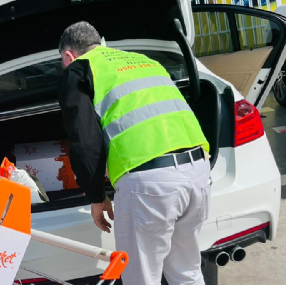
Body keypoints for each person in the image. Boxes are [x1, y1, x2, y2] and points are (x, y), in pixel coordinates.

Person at [57, 21, 211, 285]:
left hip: (150, 184)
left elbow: (85, 142)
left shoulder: (80, 70)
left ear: (69, 56)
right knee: (187, 273)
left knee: (141, 279)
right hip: (198, 172)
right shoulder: (144, 61)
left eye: (63, 62)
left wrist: (96, 197)